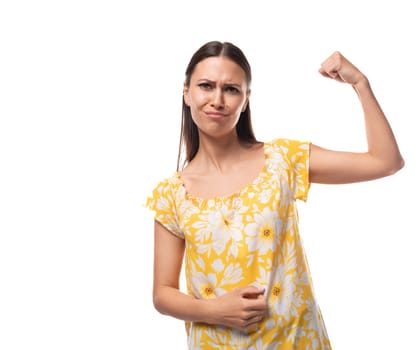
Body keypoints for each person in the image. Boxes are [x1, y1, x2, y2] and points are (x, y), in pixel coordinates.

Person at [146, 40, 404, 349]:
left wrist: (360, 84)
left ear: (246, 100)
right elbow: (163, 293)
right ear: (187, 93)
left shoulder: (282, 160)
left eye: (231, 89)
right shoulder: (173, 194)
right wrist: (215, 310)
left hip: (296, 341)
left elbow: (386, 161)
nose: (217, 99)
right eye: (206, 86)